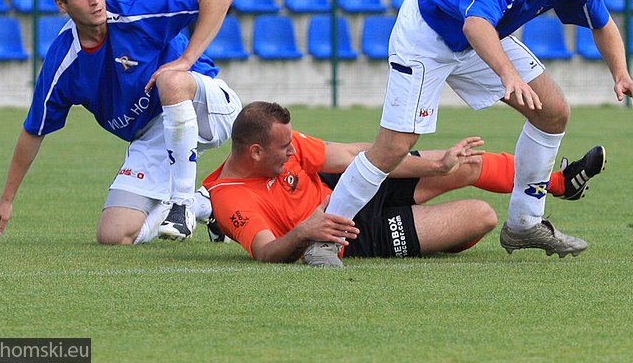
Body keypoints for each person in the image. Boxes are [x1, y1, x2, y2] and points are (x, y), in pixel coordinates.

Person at [300, 0, 633, 268]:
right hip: (428, 37)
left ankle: (525, 224)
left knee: (553, 111)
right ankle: (322, 240)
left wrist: (621, 74)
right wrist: (506, 74)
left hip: (477, 38)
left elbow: (602, 24)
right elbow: (475, 23)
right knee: (394, 146)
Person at [0, 0, 242, 246]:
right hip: (153, 133)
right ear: (61, 5)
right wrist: (6, 200)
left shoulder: (132, 10)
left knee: (169, 81)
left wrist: (185, 61)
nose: (95, 0)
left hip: (209, 107)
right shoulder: (64, 61)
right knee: (114, 234)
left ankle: (182, 203)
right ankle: (205, 205)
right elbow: (35, 130)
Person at [202, 101, 607, 263]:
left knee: (462, 164)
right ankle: (425, 230)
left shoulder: (285, 147)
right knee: (480, 217)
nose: (294, 152)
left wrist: (436, 165)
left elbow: (356, 156)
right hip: (349, 233)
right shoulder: (228, 198)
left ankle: (557, 182)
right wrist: (305, 231)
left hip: (348, 191)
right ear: (254, 152)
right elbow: (267, 253)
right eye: (284, 148)